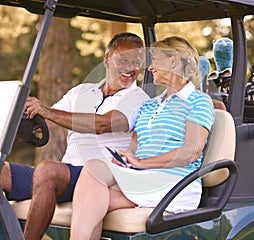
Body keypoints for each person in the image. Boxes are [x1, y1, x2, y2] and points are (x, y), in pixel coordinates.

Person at [0, 32, 149, 240]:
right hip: (67, 176)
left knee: (48, 169)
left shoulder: (138, 98)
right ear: (107, 59)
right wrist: (21, 117)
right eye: (123, 60)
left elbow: (102, 124)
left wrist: (46, 110)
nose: (130, 68)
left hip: (99, 178)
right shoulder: (81, 91)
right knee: (2, 171)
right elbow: (44, 125)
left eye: (136, 62)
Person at [70, 36, 215, 239]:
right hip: (143, 180)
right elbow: (135, 145)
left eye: (155, 59)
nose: (150, 67)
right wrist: (126, 157)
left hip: (174, 183)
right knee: (93, 177)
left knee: (91, 204)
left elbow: (190, 152)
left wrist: (142, 163)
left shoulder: (197, 101)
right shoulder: (150, 104)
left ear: (173, 61)